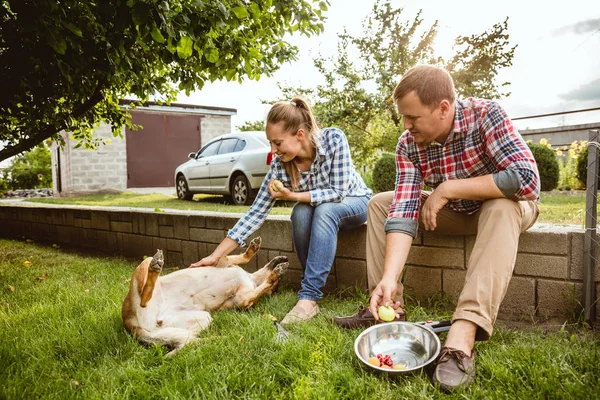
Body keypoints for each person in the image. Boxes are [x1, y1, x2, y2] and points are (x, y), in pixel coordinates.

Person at [333, 65, 540, 391]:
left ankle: (464, 332)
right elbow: (402, 210)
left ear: (444, 108)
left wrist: (448, 189)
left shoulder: (487, 115)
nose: (406, 125)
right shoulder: (409, 144)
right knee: (381, 203)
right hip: (454, 213)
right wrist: (390, 276)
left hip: (506, 207)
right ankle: (388, 307)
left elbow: (526, 180)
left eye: (413, 118)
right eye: (403, 117)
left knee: (500, 207)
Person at [191, 97, 372, 325]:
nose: (273, 150)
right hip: (323, 210)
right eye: (270, 143)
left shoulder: (333, 139)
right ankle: (312, 288)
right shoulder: (281, 166)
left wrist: (293, 195)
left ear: (299, 134)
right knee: (300, 213)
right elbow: (255, 214)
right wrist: (215, 256)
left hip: (356, 201)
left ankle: (309, 297)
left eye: (277, 143)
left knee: (322, 209)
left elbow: (338, 192)